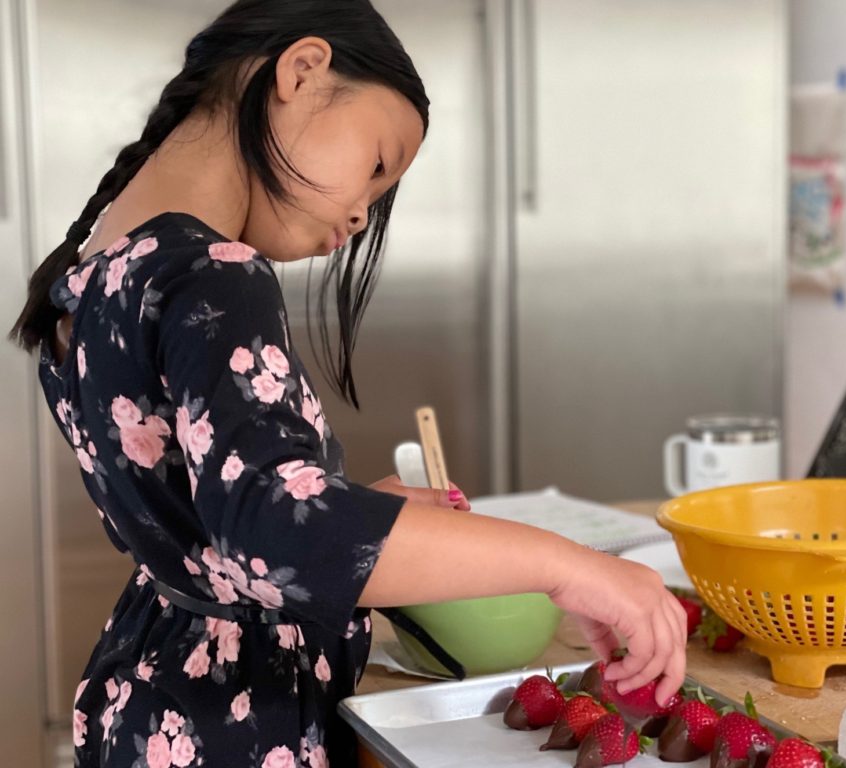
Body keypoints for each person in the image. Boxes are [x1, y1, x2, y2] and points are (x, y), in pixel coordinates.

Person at [10, 1, 688, 765]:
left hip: (153, 698)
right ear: (301, 71)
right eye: (376, 165)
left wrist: (355, 509)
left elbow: (221, 519)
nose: (363, 216)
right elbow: (276, 526)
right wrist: (574, 569)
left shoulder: (103, 266)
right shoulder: (215, 273)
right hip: (237, 722)